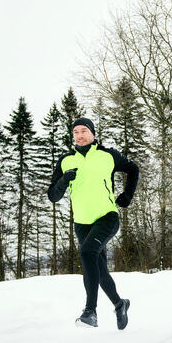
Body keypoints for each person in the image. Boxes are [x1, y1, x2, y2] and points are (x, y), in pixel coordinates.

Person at [47, 117, 139, 329]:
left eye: (84, 131)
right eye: (76, 132)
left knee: (87, 253)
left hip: (107, 216)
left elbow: (133, 169)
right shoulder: (65, 160)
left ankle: (90, 311)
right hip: (82, 223)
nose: (80, 135)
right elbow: (53, 195)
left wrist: (128, 195)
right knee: (99, 270)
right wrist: (64, 180)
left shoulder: (108, 155)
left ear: (93, 133)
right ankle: (120, 304)